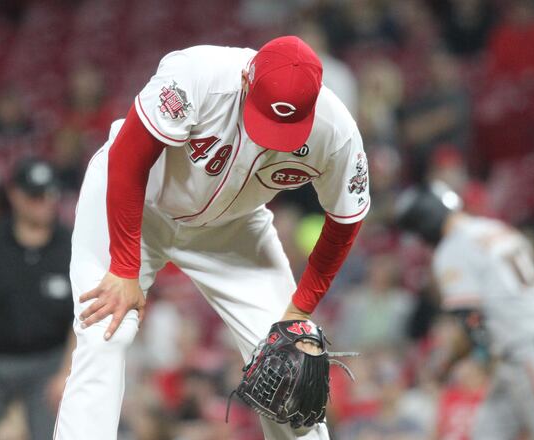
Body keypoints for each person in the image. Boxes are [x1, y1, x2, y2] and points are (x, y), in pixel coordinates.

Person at [54, 35, 370, 439]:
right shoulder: (196, 76)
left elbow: (345, 223)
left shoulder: (336, 131)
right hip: (136, 204)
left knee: (288, 361)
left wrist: (299, 311)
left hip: (232, 228)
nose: (268, 134)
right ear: (245, 78)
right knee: (104, 332)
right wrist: (124, 266)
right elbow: (128, 157)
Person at [394, 182, 534, 440]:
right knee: (488, 431)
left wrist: (444, 364)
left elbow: (471, 321)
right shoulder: (493, 228)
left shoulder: (452, 248)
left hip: (531, 353)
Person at [0, 158, 75, 440]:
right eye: (35, 196)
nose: (44, 202)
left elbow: (83, 314)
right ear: (15, 195)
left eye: (50, 194)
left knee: (55, 435)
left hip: (49, 365)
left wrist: (67, 371)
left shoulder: (72, 245)